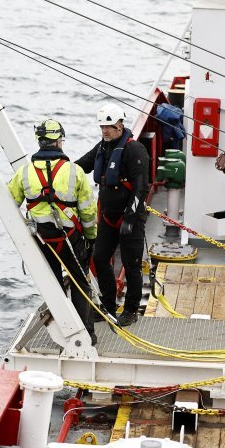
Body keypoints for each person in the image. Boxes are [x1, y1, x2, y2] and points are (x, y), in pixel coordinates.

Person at [8, 119, 98, 345]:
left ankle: (64, 329)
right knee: (80, 283)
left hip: (43, 239)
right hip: (71, 238)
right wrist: (90, 238)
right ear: (59, 142)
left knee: (53, 284)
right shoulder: (75, 172)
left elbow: (10, 203)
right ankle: (88, 334)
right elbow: (88, 210)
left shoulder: (24, 173)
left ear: (40, 141)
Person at [75, 103, 150, 326]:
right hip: (107, 217)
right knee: (99, 258)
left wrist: (130, 218)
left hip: (130, 218)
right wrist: (59, 169)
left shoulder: (134, 149)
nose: (105, 130)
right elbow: (80, 167)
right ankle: (108, 306)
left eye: (108, 126)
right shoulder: (102, 147)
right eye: (102, 126)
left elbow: (141, 187)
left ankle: (130, 310)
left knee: (131, 263)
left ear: (120, 125)